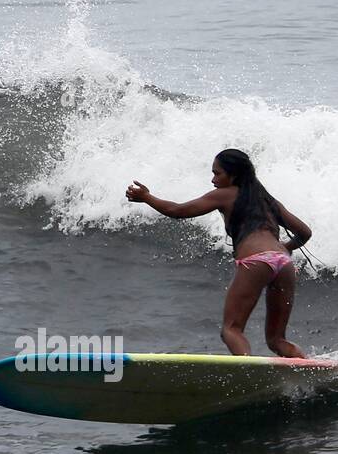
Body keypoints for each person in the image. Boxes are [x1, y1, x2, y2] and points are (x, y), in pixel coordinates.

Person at [125, 148, 312, 358]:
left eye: (217, 173)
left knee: (231, 329)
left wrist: (146, 197)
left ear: (234, 175)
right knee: (277, 340)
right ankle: (306, 367)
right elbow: (304, 232)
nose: (213, 179)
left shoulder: (226, 194)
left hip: (256, 262)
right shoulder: (268, 201)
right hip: (284, 263)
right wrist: (282, 250)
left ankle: (247, 370)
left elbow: (177, 211)